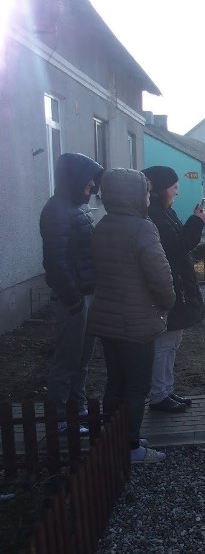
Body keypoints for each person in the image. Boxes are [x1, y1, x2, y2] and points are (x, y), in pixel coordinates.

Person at [87, 169, 175, 464]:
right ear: (135, 195)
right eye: (146, 193)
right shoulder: (142, 228)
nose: (149, 198)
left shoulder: (103, 225)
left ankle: (113, 438)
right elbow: (160, 275)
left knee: (115, 382)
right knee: (137, 387)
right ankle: (131, 446)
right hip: (136, 321)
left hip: (106, 318)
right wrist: (168, 302)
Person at [38, 152, 104, 434]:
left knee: (82, 358)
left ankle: (77, 409)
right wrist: (73, 298)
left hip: (85, 296)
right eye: (88, 178)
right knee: (67, 359)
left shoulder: (75, 208)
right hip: (73, 301)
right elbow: (56, 261)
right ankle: (60, 420)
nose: (92, 184)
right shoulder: (56, 211)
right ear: (75, 178)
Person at [142, 166, 205, 413]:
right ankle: (158, 395)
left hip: (177, 284)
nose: (177, 192)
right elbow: (178, 245)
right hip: (168, 285)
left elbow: (181, 242)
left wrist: (193, 222)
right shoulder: (154, 215)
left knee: (173, 340)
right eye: (174, 187)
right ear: (161, 189)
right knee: (164, 343)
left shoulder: (163, 212)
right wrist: (196, 222)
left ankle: (166, 390)